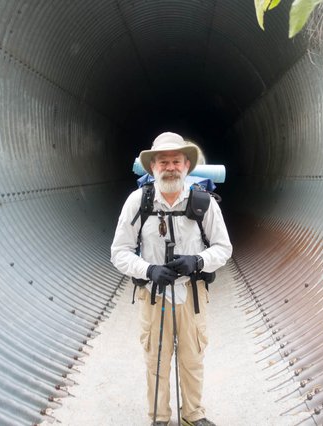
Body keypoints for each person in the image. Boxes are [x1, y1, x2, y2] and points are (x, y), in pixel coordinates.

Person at [111, 132, 232, 426]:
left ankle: (193, 415)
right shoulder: (138, 202)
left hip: (192, 295)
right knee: (157, 360)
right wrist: (149, 270)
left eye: (176, 161)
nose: (170, 167)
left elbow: (224, 248)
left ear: (186, 165)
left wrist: (198, 261)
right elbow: (119, 252)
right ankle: (159, 418)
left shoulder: (204, 203)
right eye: (163, 162)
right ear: (153, 167)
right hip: (155, 296)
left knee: (193, 359)